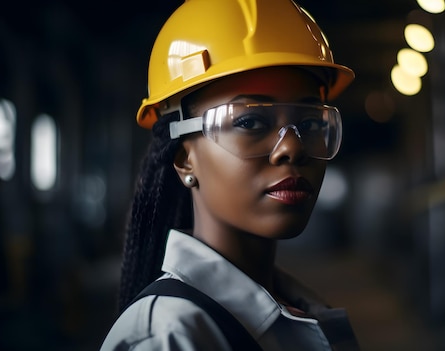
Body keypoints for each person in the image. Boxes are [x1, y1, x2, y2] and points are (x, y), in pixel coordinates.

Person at [100, 0, 359, 350]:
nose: (292, 148)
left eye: (310, 123)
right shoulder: (168, 338)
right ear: (183, 158)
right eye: (249, 121)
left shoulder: (293, 307)